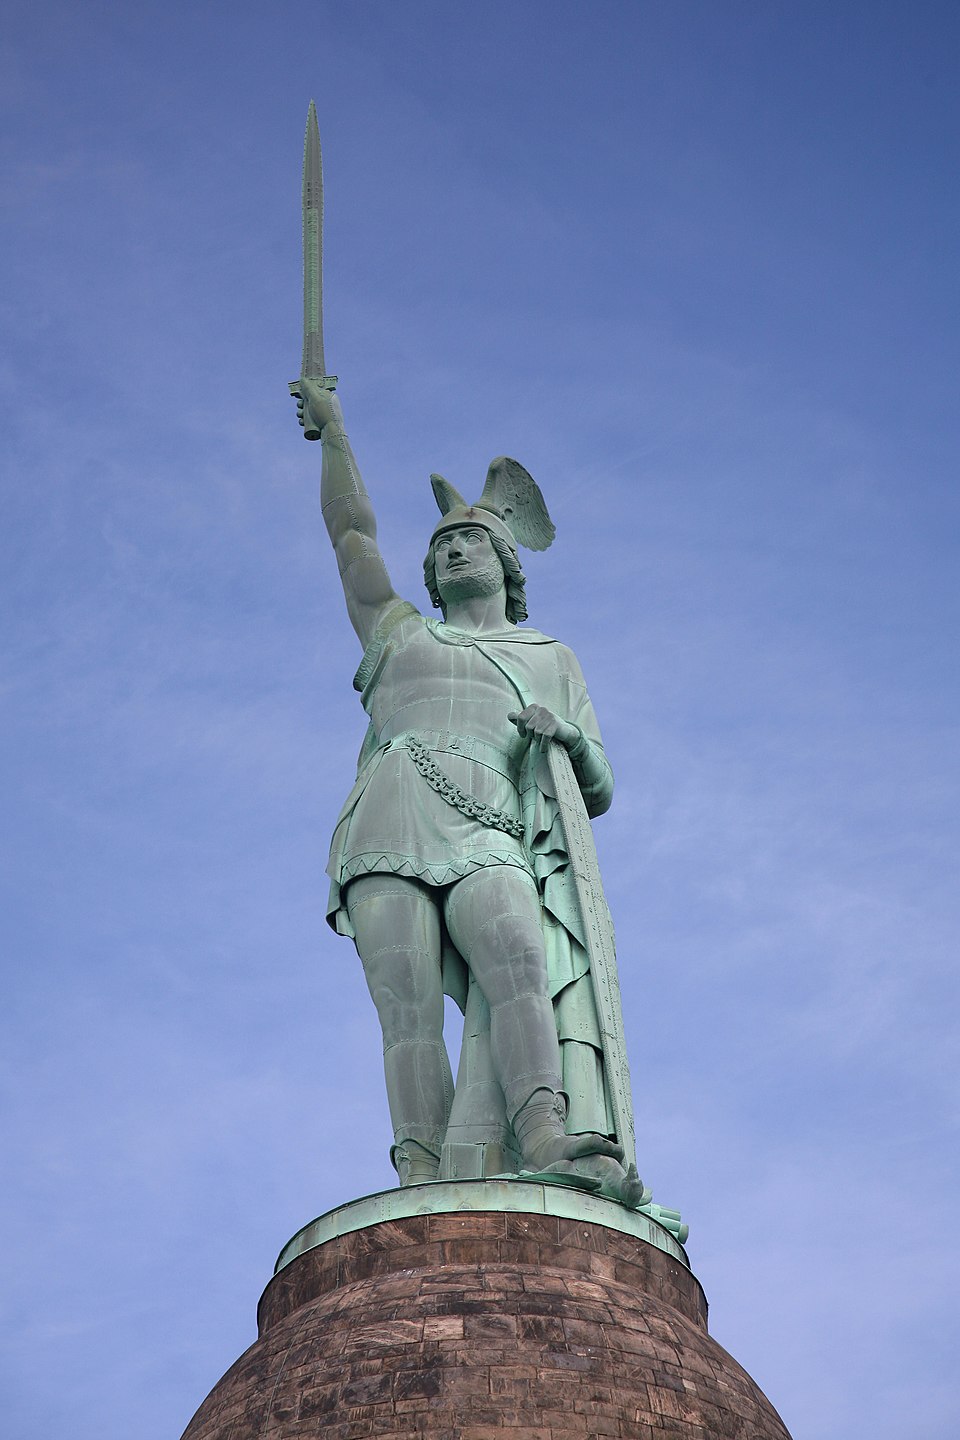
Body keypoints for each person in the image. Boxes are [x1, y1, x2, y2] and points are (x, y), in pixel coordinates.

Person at [296, 380, 642, 1206]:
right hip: (388, 819)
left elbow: (598, 781)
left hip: (492, 830)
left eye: (470, 542)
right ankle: (418, 1169)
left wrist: (560, 736)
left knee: (520, 963)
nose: (452, 552)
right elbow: (350, 535)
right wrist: (335, 430)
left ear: (504, 563)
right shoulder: (398, 633)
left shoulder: (550, 656)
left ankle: (546, 1132)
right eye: (441, 544)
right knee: (405, 1013)